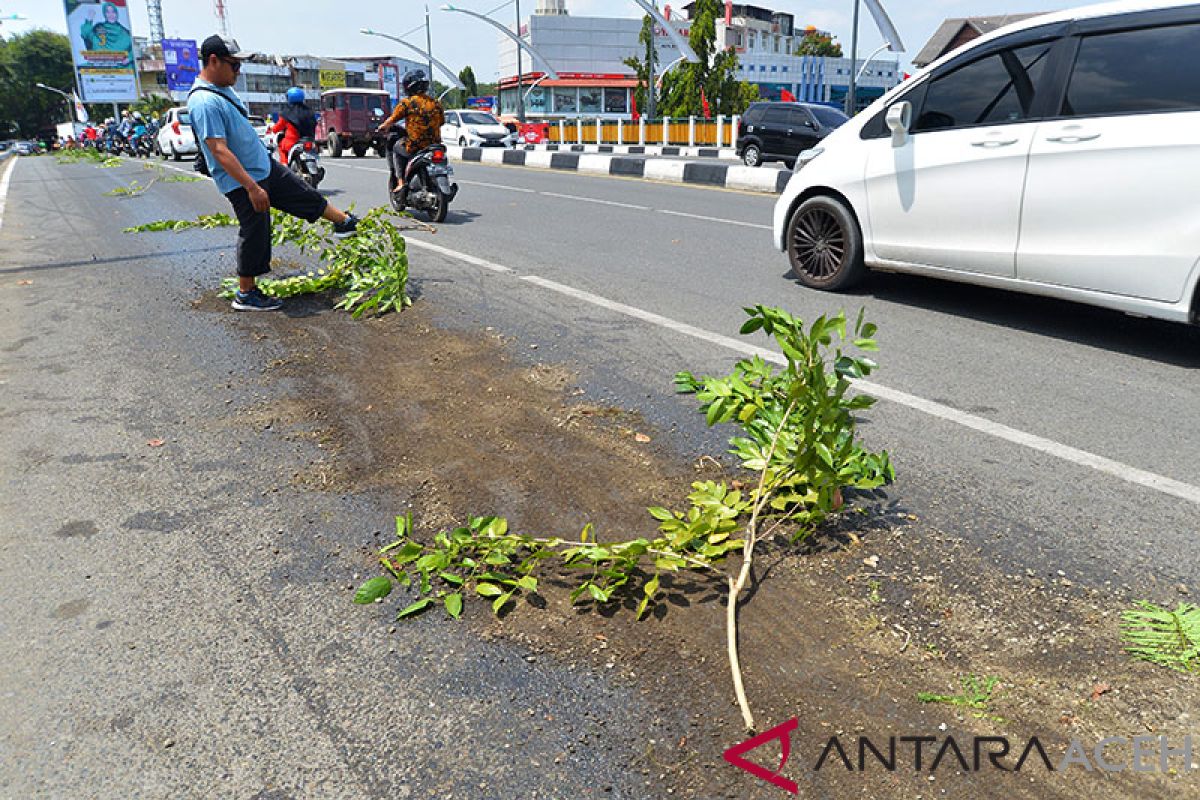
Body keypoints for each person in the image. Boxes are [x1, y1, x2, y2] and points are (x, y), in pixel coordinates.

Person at [187, 35, 358, 312]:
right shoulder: (204, 102)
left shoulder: (222, 90)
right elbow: (218, 150)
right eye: (234, 65)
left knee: (302, 193)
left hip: (263, 166)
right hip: (243, 179)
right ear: (214, 61)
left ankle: (344, 222)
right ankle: (246, 292)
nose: (238, 71)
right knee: (255, 229)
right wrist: (252, 187)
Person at [374, 69, 444, 190]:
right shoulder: (436, 103)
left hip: (415, 146)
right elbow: (442, 122)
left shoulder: (407, 103)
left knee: (396, 147)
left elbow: (392, 119)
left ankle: (401, 183)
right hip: (435, 145)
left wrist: (382, 127)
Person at [270, 86, 317, 166]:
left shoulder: (287, 112)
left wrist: (272, 128)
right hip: (309, 141)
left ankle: (284, 165)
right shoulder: (309, 111)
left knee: (281, 146)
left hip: (292, 142)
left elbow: (277, 128)